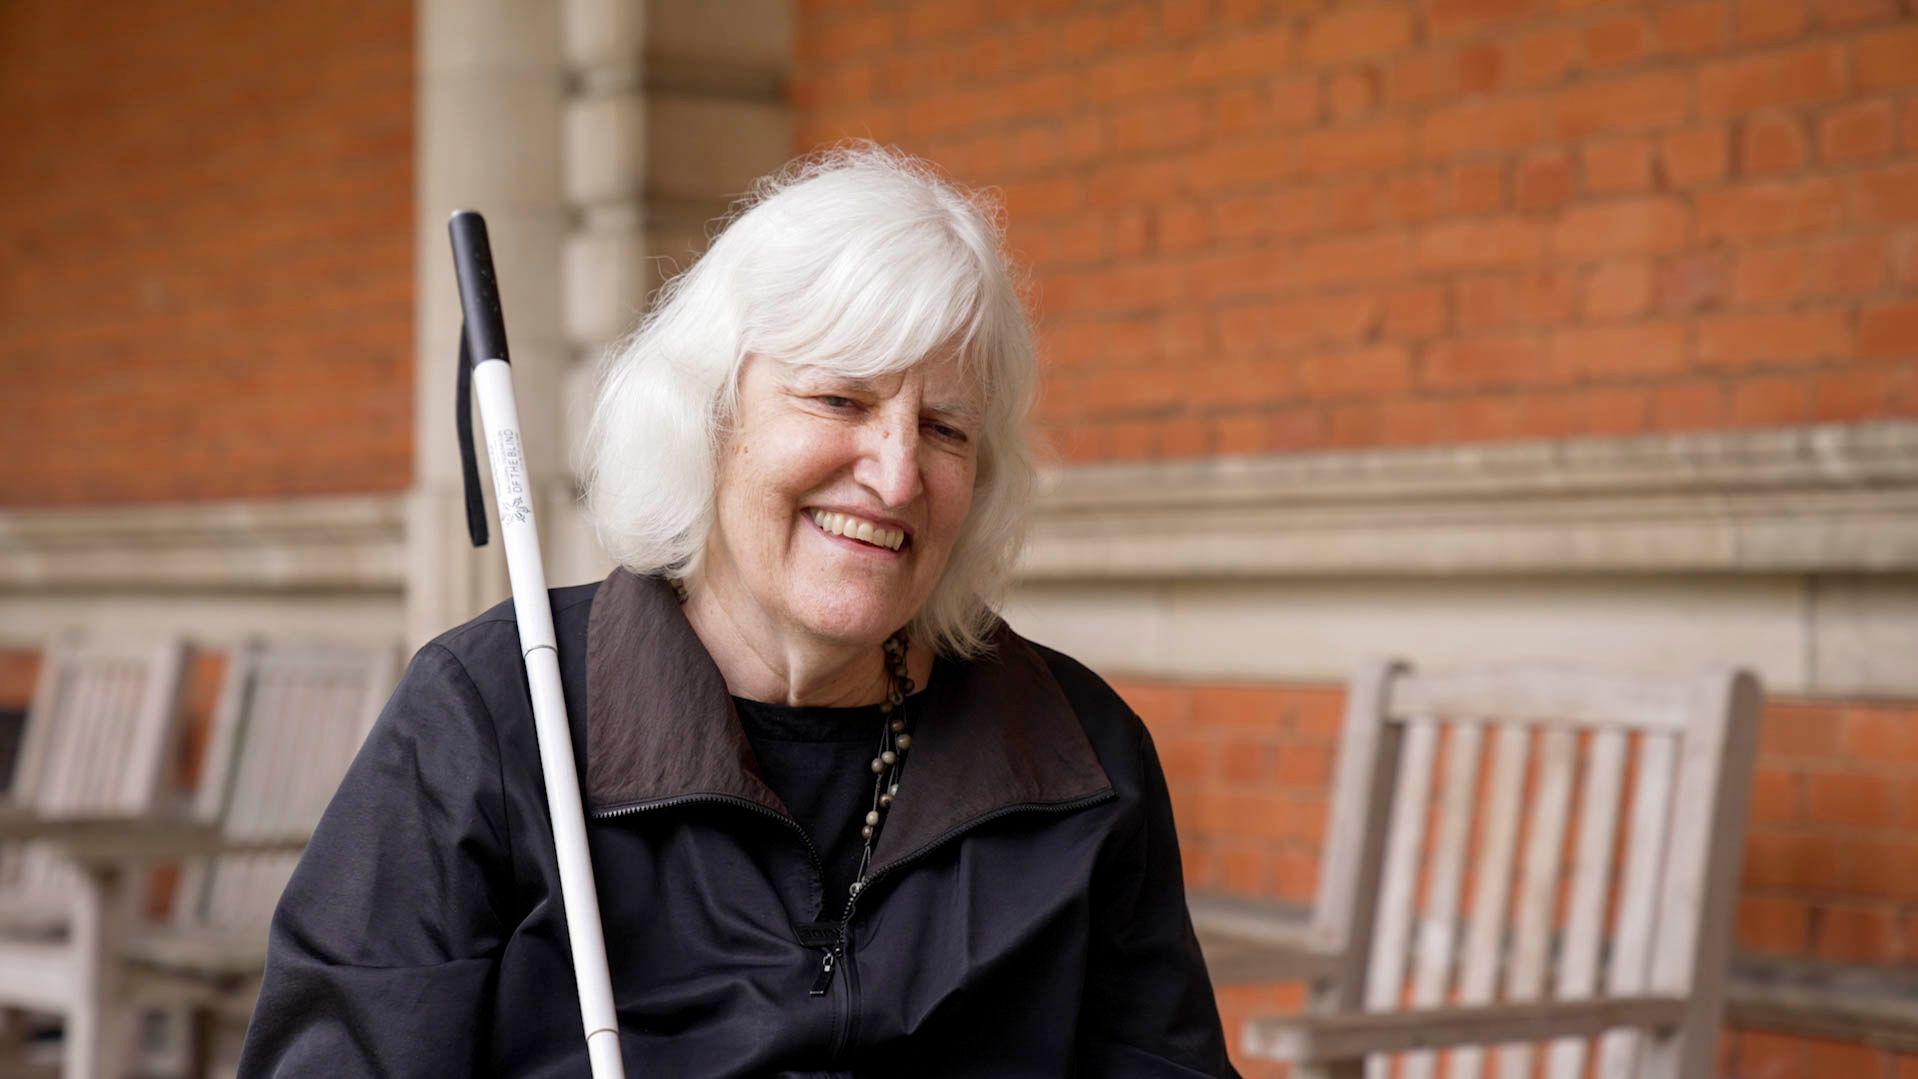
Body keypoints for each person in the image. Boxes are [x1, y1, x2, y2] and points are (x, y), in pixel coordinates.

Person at [239, 143, 1239, 1078]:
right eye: (840, 401)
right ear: (710, 413)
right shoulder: (491, 718)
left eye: (942, 426)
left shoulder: (1074, 752)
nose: (894, 476)